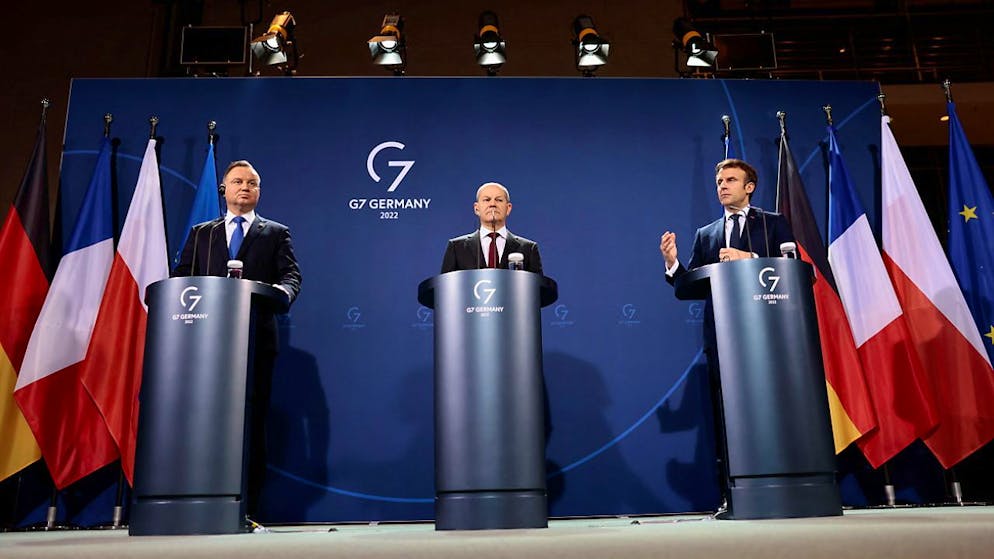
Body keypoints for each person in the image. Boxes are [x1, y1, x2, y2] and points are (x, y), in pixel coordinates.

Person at [658, 158, 793, 517]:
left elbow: (793, 269)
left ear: (750, 187)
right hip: (723, 340)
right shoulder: (707, 234)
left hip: (770, 339)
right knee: (727, 417)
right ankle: (732, 496)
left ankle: (782, 487)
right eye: (719, 180)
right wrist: (673, 265)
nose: (722, 185)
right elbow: (690, 288)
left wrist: (748, 258)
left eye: (731, 179)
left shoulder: (772, 223)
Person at [172, 159, 302, 521]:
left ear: (259, 191)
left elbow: (292, 276)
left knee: (250, 423)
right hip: (204, 348)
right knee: (202, 421)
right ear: (224, 189)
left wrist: (281, 293)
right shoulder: (203, 233)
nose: (245, 187)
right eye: (238, 181)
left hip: (255, 341)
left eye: (252, 183)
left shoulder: (275, 233)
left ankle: (247, 509)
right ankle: (199, 505)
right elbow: (182, 276)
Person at [441, 181, 543, 274]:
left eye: (498, 200)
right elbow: (444, 287)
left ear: (508, 208)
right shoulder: (456, 247)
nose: (493, 204)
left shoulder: (529, 249)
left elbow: (538, 290)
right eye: (487, 200)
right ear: (476, 208)